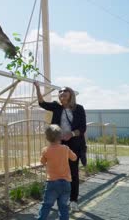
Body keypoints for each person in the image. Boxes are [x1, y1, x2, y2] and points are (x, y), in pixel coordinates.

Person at [34, 82, 87, 211]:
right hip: (58, 144)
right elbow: (42, 103)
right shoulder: (56, 107)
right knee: (55, 171)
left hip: (74, 144)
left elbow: (83, 127)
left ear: (71, 94)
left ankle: (73, 201)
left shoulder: (79, 108)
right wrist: (37, 88)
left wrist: (72, 134)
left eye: (64, 91)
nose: (61, 93)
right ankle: (55, 199)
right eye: (60, 91)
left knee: (73, 172)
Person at [38, 124, 78, 220]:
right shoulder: (65, 148)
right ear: (60, 136)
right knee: (63, 207)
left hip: (52, 183)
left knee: (46, 205)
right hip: (66, 183)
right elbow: (74, 158)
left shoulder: (46, 150)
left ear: (47, 138)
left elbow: (42, 161)